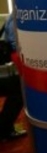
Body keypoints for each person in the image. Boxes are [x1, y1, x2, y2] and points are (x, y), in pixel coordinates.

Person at [0, 11, 26, 142]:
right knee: (18, 89)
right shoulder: (17, 15)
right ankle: (4, 130)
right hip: (16, 55)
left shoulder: (14, 15)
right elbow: (14, 43)